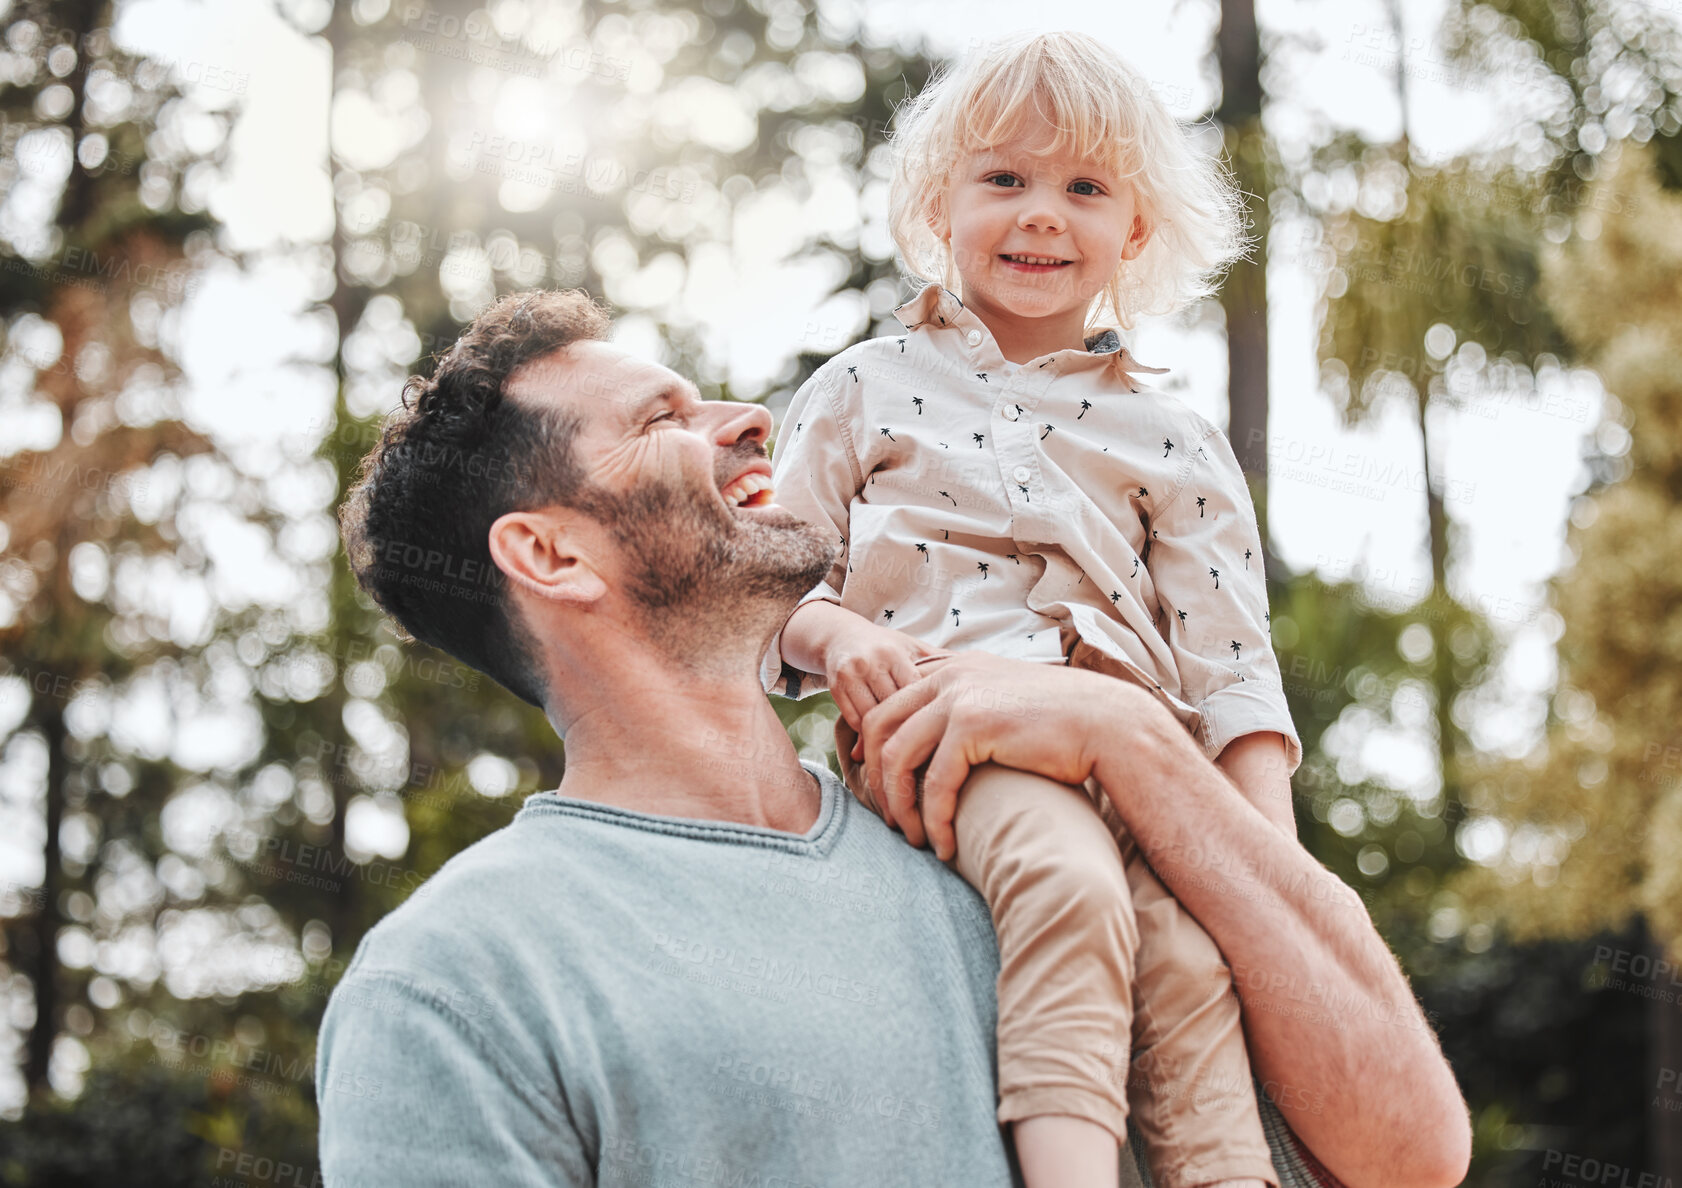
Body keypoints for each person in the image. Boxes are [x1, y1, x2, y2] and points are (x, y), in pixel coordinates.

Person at [318, 288, 1472, 1188]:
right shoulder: (458, 985)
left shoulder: (977, 830)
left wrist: (1132, 737)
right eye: (664, 419)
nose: (747, 419)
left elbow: (1407, 1155)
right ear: (553, 555)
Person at [766, 31, 1282, 1188]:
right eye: (1002, 179)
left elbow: (1229, 666)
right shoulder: (861, 388)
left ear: (1131, 234)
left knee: (1192, 967)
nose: (1040, 213)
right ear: (936, 205)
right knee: (1064, 883)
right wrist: (839, 630)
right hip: (950, 726)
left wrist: (1269, 872)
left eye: (1082, 188)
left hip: (1141, 758)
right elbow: (767, 589)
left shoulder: (1173, 438)